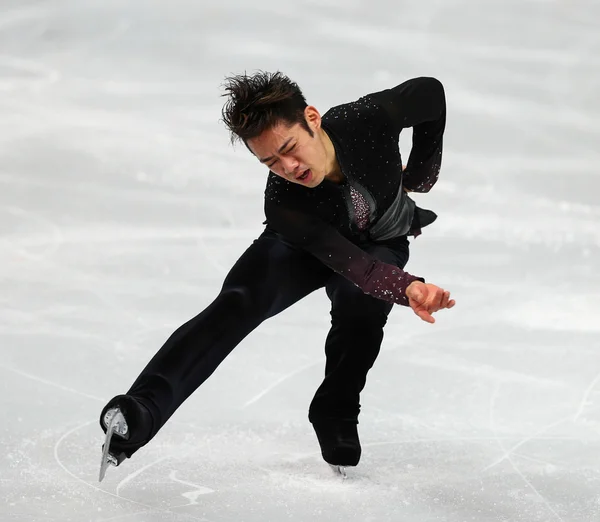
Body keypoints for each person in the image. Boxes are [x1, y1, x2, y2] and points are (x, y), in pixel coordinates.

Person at [98, 71, 455, 480]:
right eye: (270, 161)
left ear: (312, 118)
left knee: (362, 309)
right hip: (306, 244)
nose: (288, 167)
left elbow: (430, 92)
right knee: (238, 302)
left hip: (379, 238)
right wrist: (406, 286)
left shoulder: (368, 119)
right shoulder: (284, 202)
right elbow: (355, 267)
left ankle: (335, 408)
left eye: (289, 147)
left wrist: (421, 174)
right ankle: (141, 410)